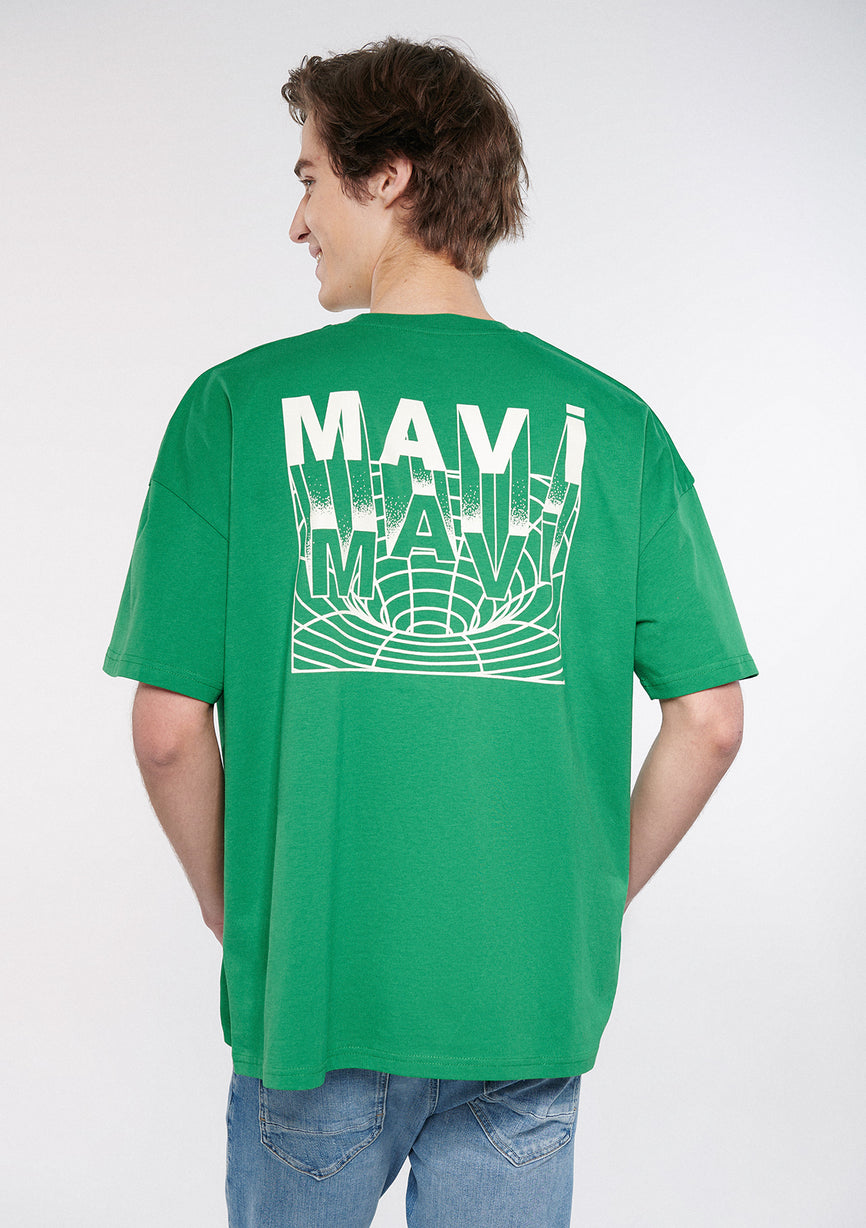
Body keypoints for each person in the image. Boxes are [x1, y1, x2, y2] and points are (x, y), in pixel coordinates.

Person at [103, 35, 758, 1228]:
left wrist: (233, 906)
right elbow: (708, 720)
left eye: (309, 178)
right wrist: (585, 893)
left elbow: (165, 731)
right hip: (521, 1000)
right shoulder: (614, 427)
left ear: (389, 175)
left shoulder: (235, 408)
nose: (296, 222)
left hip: (311, 993)